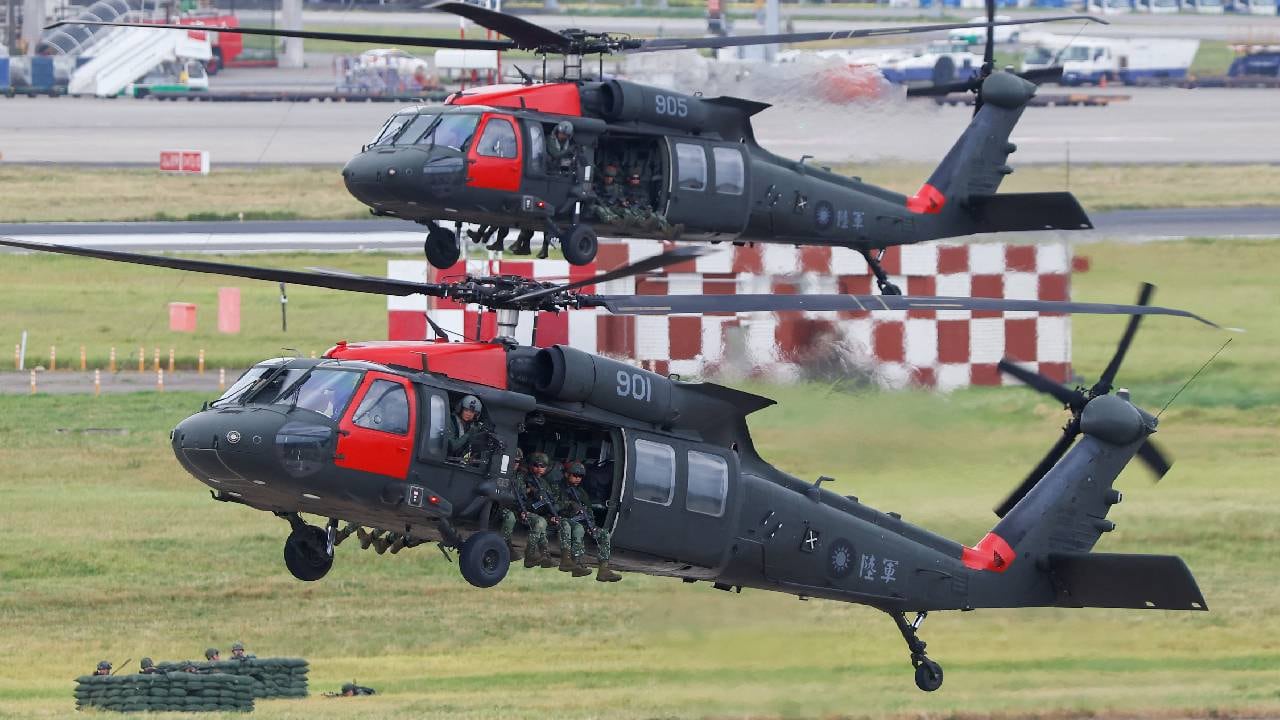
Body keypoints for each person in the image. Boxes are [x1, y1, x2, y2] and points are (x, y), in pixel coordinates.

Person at [557, 461, 622, 582]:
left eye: (580, 476)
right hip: (564, 520)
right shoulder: (558, 488)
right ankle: (575, 564)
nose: (578, 479)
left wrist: (591, 525)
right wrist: (569, 505)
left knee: (603, 534)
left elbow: (589, 509)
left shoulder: (580, 492)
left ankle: (603, 569)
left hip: (582, 522)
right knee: (578, 529)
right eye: (575, 475)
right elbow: (553, 506)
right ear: (566, 474)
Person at [447, 395, 487, 462]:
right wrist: (468, 434)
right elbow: (452, 446)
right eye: (466, 410)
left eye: (472, 412)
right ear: (460, 409)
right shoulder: (451, 421)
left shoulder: (473, 426)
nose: (469, 414)